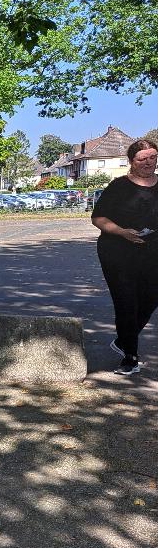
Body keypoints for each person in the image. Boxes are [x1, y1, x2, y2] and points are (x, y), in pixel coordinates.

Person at [90, 138, 158, 376]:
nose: (148, 162)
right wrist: (122, 232)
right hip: (118, 252)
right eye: (142, 159)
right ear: (131, 162)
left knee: (150, 299)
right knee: (127, 302)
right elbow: (98, 218)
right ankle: (130, 357)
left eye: (152, 157)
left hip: (153, 252)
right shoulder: (119, 186)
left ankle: (123, 340)